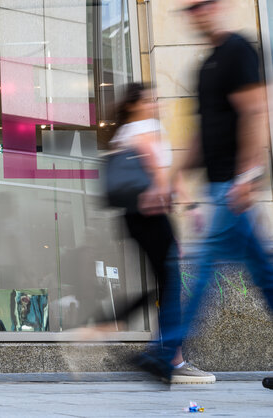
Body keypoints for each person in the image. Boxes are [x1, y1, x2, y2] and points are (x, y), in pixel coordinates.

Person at [137, 0, 272, 385]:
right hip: (220, 186)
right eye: (191, 10)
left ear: (219, 7)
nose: (197, 14)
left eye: (203, 7)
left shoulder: (239, 51)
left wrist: (248, 176)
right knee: (265, 276)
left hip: (233, 185)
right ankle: (167, 352)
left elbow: (255, 112)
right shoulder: (205, 67)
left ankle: (166, 352)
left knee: (206, 264)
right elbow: (200, 137)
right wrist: (166, 181)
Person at [94, 83, 214, 384]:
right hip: (152, 212)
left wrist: (185, 203)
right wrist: (179, 203)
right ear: (134, 104)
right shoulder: (147, 127)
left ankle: (163, 352)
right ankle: (170, 358)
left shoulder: (122, 134)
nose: (154, 103)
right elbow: (159, 166)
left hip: (134, 216)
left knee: (165, 281)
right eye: (148, 99)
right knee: (171, 283)